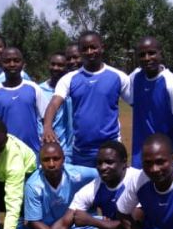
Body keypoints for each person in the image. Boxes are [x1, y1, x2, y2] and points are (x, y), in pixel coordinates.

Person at [43, 31, 130, 166]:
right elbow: (54, 103)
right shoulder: (69, 78)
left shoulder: (118, 77)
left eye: (93, 47)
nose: (89, 52)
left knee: (113, 186)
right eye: (84, 49)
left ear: (102, 47)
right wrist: (47, 126)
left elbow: (137, 104)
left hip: (111, 149)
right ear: (80, 51)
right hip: (81, 152)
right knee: (84, 188)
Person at [19, 142, 98, 229]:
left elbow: (101, 174)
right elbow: (33, 222)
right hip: (43, 228)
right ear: (39, 161)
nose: (51, 163)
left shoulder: (75, 174)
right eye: (46, 159)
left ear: (64, 159)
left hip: (71, 224)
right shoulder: (33, 185)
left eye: (56, 159)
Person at [130, 36, 173, 168]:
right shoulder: (135, 77)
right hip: (141, 157)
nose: (147, 58)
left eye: (152, 53)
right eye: (142, 55)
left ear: (161, 54)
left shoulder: (172, 85)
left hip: (169, 159)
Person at [0, 47, 46, 155]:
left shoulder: (34, 88)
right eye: (7, 61)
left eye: (16, 60)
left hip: (34, 153)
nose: (12, 64)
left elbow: (46, 118)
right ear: (1, 65)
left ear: (23, 64)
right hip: (6, 156)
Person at [39, 53, 73, 162]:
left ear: (67, 67)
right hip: (46, 149)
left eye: (60, 65)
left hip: (69, 149)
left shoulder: (72, 90)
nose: (55, 68)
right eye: (53, 64)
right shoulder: (39, 90)